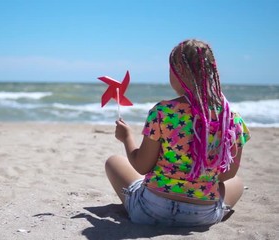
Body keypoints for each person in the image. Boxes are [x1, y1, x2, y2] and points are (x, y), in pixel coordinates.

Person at [105, 39, 250, 226]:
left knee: (113, 162)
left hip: (150, 210)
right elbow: (226, 175)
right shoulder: (231, 118)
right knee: (236, 182)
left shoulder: (163, 112)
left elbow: (141, 166)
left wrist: (126, 138)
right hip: (202, 216)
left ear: (178, 71)